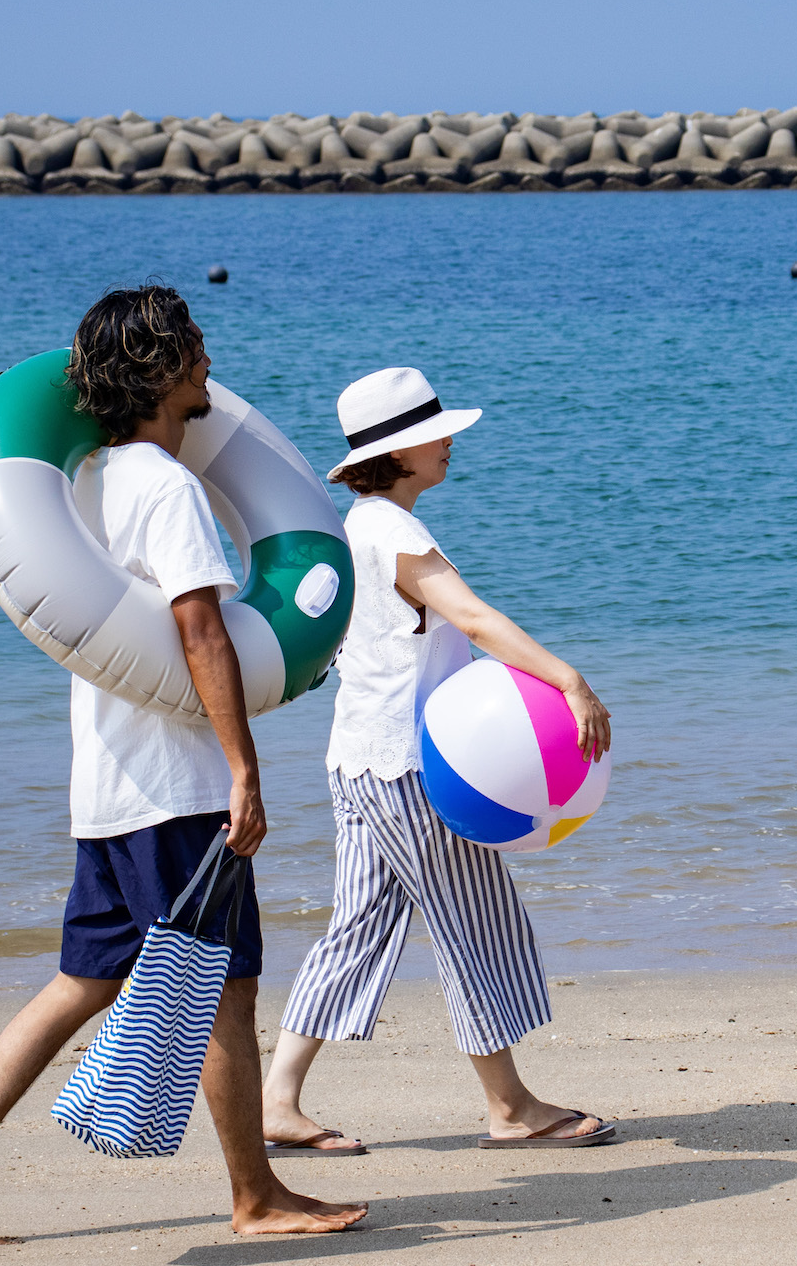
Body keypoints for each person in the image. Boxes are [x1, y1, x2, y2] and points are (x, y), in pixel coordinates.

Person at [0, 286, 366, 1243]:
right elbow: (201, 630)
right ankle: (255, 1197)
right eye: (195, 348)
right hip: (177, 788)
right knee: (227, 987)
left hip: (108, 786)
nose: (210, 364)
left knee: (84, 980)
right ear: (161, 370)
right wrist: (243, 768)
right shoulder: (165, 487)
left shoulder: (89, 482)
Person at [262, 367, 615, 1154]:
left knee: (356, 928)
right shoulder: (395, 533)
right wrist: (569, 680)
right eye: (435, 433)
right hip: (410, 768)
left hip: (359, 760)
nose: (450, 441)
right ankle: (510, 1107)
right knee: (471, 922)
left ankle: (277, 1100)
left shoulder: (358, 527)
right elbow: (474, 619)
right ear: (397, 453)